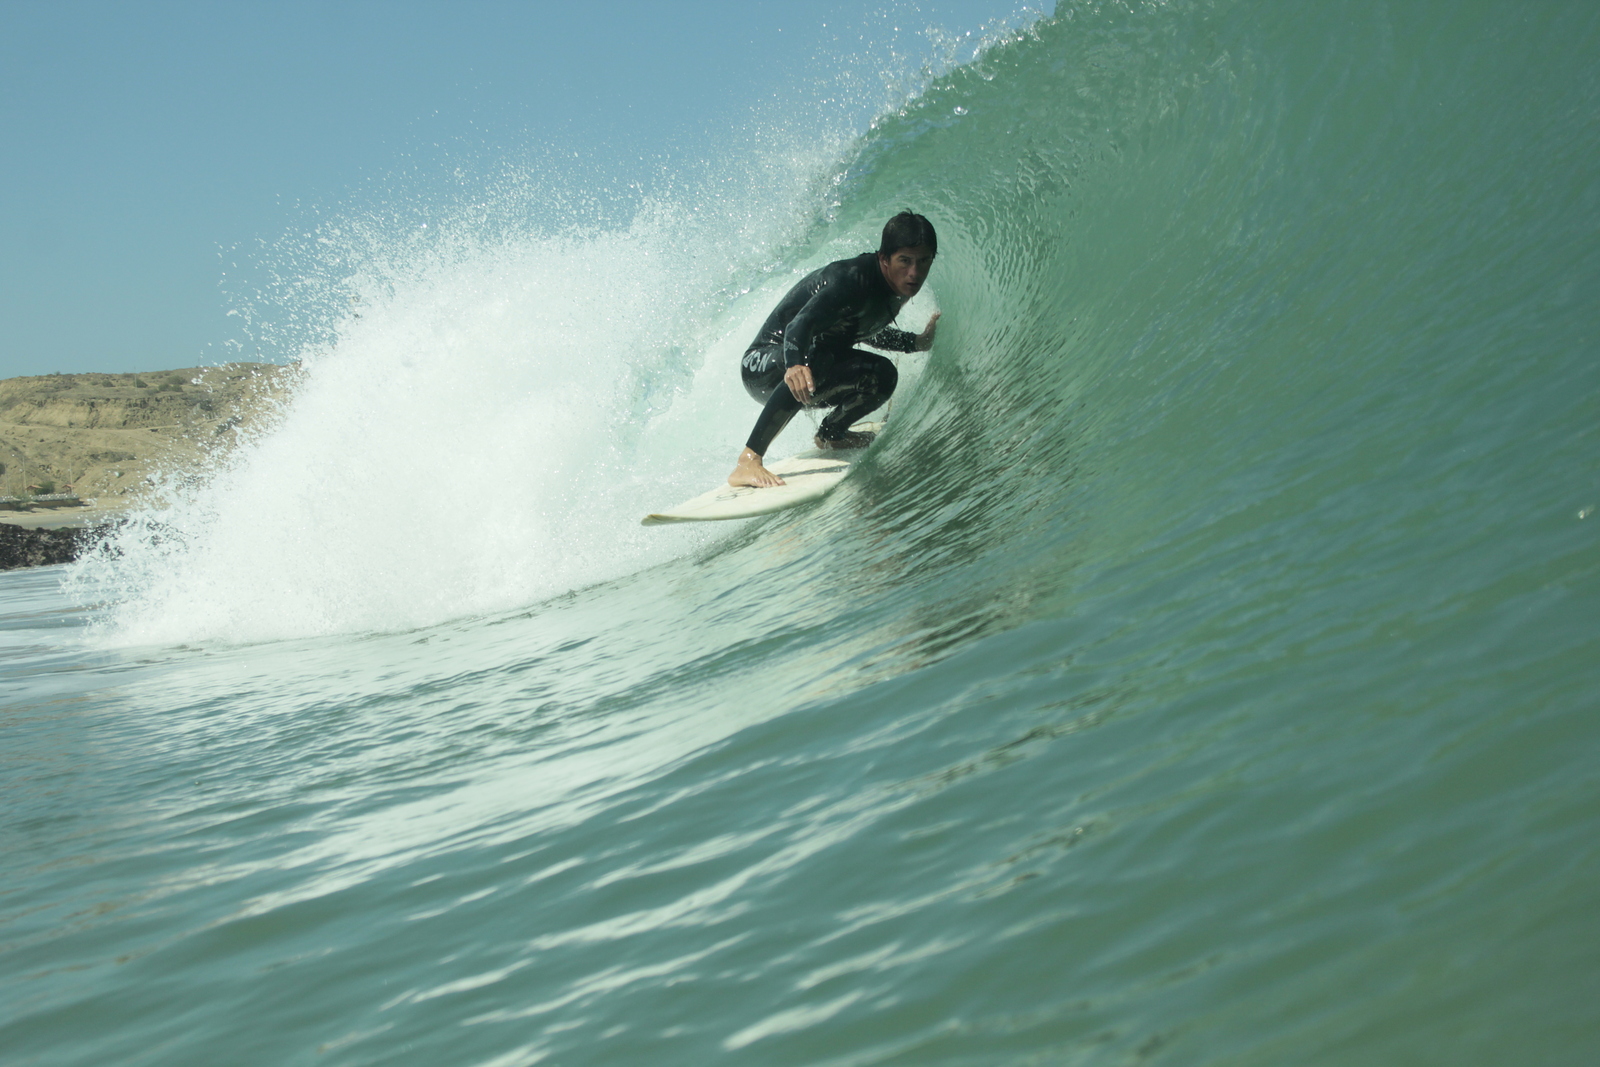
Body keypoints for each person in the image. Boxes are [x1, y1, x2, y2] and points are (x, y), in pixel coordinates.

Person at [728, 212, 942, 488]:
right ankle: (748, 460)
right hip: (762, 364)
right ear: (884, 259)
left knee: (883, 374)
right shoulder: (851, 281)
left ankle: (831, 434)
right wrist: (795, 363)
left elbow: (864, 329)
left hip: (807, 364)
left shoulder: (894, 286)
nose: (914, 273)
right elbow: (798, 326)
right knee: (818, 356)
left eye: (923, 261)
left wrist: (915, 343)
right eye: (905, 261)